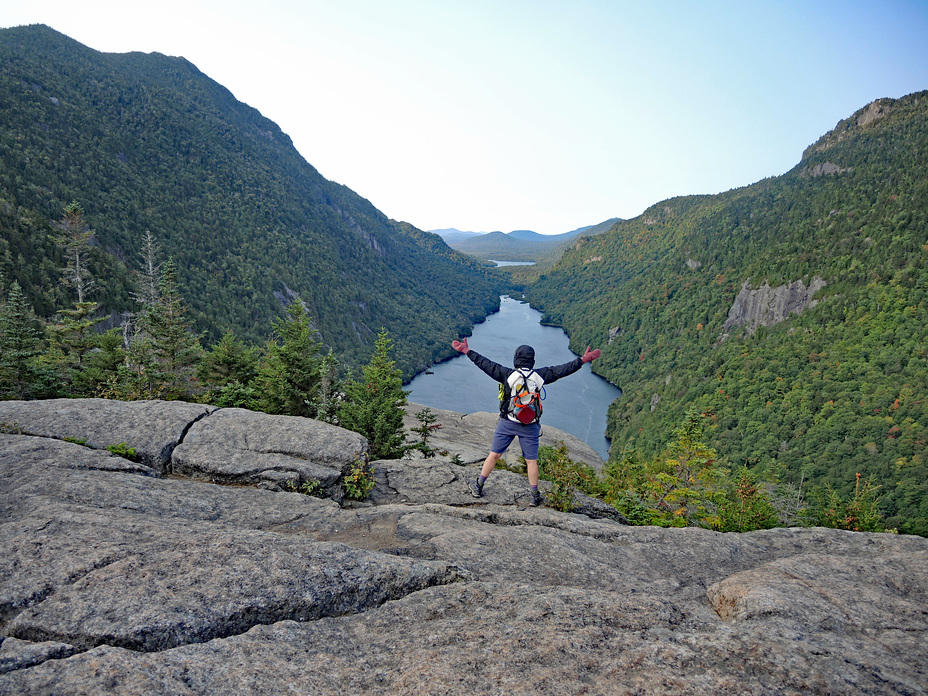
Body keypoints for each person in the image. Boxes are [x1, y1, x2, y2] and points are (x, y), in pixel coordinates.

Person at [450, 338, 601, 507]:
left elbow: (485, 364)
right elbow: (562, 370)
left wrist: (467, 351)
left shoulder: (507, 375)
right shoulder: (540, 376)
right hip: (530, 425)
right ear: (532, 360)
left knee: (494, 455)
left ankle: (478, 486)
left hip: (508, 422)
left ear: (516, 359)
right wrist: (583, 360)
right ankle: (535, 496)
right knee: (531, 461)